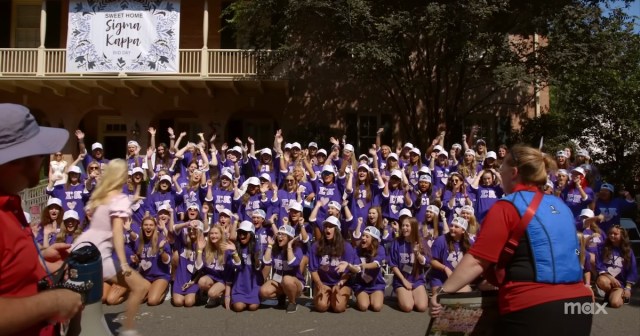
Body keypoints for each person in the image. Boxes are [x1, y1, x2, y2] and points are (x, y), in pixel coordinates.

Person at [430, 144, 592, 336]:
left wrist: (442, 293)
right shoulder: (561, 206)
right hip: (580, 306)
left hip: (532, 308)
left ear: (514, 172)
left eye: (502, 168)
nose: (500, 172)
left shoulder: (506, 207)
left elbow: (477, 261)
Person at [0, 103, 83, 336]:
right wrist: (52, 303)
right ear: (18, 160)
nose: (44, 161)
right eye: (39, 153)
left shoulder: (11, 204)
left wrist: (39, 260)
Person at [73, 159, 150, 336]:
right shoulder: (119, 199)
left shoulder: (100, 194)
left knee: (84, 296)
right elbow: (117, 233)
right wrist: (123, 264)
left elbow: (95, 218)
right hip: (99, 253)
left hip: (82, 246)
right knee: (141, 287)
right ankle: (129, 330)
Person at [595, 225, 637, 307]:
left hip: (620, 284)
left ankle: (617, 294)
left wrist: (628, 288)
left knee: (615, 303)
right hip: (607, 279)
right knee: (602, 281)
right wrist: (611, 278)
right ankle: (607, 293)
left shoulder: (628, 251)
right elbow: (599, 265)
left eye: (615, 234)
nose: (612, 235)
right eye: (610, 233)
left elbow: (632, 270)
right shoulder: (602, 247)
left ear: (622, 236)